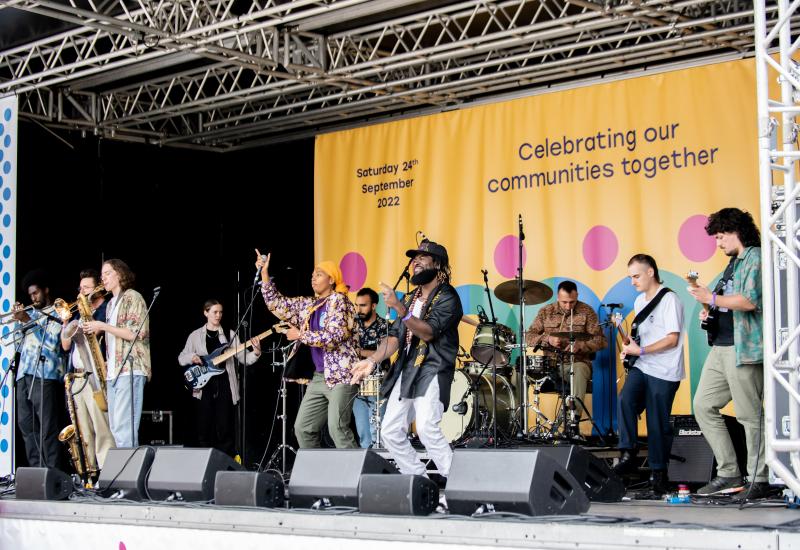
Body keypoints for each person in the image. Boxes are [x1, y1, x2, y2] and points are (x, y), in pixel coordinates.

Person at [351, 239, 463, 483]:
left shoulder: (448, 296)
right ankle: (420, 481)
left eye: (423, 257)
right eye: (415, 258)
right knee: (390, 431)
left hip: (432, 367)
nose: (416, 262)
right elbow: (394, 338)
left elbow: (428, 332)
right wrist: (372, 362)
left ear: (438, 265)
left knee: (426, 428)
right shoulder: (411, 298)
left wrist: (400, 309)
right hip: (408, 368)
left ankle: (459, 483)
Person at [688, 208, 770, 499]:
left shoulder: (756, 257)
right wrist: (709, 307)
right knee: (702, 405)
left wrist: (711, 297)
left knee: (749, 415)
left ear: (737, 231)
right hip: (721, 347)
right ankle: (728, 473)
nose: (718, 243)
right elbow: (726, 300)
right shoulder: (734, 263)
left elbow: (750, 300)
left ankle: (759, 478)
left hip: (743, 347)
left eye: (721, 237)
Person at [256, 251, 360, 448]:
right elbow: (277, 304)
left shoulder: (340, 302)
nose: (313, 277)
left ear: (331, 279)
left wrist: (301, 335)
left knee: (337, 428)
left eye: (319, 274)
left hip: (342, 375)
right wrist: (264, 273)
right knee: (304, 428)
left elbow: (334, 336)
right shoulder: (309, 304)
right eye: (312, 274)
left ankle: (356, 477)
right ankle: (320, 476)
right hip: (319, 376)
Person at [615, 254, 685, 495]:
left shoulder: (670, 300)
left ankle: (659, 475)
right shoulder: (638, 302)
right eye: (630, 277)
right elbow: (641, 338)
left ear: (650, 272)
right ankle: (628, 453)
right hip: (643, 365)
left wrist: (641, 349)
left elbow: (672, 339)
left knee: (657, 423)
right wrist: (630, 350)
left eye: (636, 276)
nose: (633, 281)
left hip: (665, 370)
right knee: (625, 399)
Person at [178, 299, 262, 457]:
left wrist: (256, 352)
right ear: (206, 313)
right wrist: (193, 357)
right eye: (215, 312)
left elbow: (245, 359)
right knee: (204, 429)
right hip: (204, 388)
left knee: (224, 429)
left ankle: (224, 463)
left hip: (225, 386)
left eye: (220, 312)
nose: (218, 315)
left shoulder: (230, 335)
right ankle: (204, 462)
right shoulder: (195, 336)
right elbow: (181, 358)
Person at [82, 259, 151, 448]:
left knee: (124, 430)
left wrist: (102, 326)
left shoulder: (133, 297)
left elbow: (135, 333)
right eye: (102, 274)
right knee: (115, 429)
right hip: (114, 372)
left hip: (131, 369)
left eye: (107, 273)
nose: (103, 278)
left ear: (119, 274)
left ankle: (128, 475)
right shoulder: (111, 304)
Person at [526, 280, 607, 423]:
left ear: (577, 297)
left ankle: (573, 423)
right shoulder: (546, 312)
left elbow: (601, 341)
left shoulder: (587, 311)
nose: (568, 306)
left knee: (579, 369)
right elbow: (528, 336)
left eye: (572, 302)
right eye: (564, 302)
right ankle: (518, 423)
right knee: (519, 372)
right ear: (558, 297)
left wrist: (581, 345)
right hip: (550, 367)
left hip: (577, 363)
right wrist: (548, 339)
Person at [59, 268, 114, 471]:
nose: (82, 293)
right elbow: (65, 346)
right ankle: (89, 475)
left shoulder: (106, 310)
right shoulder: (79, 315)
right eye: (80, 289)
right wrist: (66, 321)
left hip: (95, 374)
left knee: (101, 427)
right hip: (77, 376)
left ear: (98, 289)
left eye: (87, 288)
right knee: (84, 430)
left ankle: (107, 473)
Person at [13, 269, 66, 468]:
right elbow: (18, 346)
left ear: (45, 290)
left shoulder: (59, 312)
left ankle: (51, 472)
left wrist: (29, 322)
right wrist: (20, 323)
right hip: (24, 375)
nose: (33, 297)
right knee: (26, 426)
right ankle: (36, 472)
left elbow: (54, 342)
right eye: (31, 295)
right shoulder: (30, 314)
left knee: (47, 427)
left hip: (45, 374)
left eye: (36, 293)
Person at [352, 287, 388, 448]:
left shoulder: (384, 326)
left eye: (363, 305)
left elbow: (384, 352)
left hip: (378, 383)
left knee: (377, 431)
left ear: (374, 306)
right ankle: (367, 466)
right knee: (363, 432)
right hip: (357, 381)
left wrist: (359, 352)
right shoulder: (352, 324)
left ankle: (383, 466)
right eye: (356, 305)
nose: (358, 310)